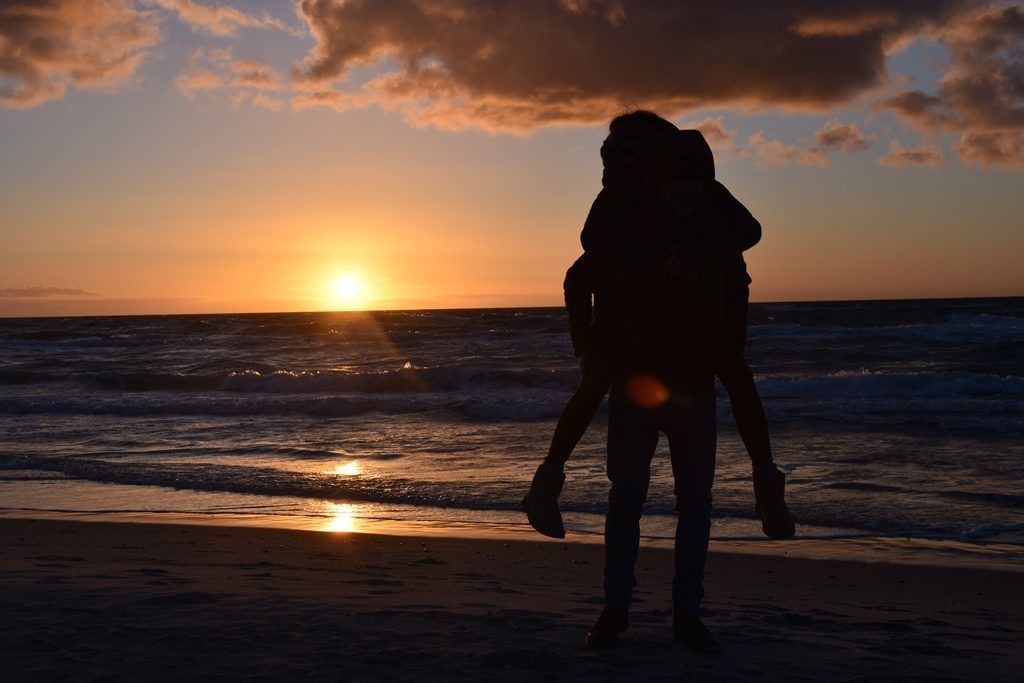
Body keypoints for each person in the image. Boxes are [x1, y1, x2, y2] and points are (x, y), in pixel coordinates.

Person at [523, 114, 794, 548]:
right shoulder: (614, 198)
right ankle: (546, 485)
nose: (632, 162)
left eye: (641, 152)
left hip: (701, 316)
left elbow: (748, 231)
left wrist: (694, 252)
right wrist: (586, 341)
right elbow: (587, 254)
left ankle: (767, 486)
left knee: (740, 380)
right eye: (622, 154)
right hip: (622, 314)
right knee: (593, 385)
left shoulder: (695, 187)